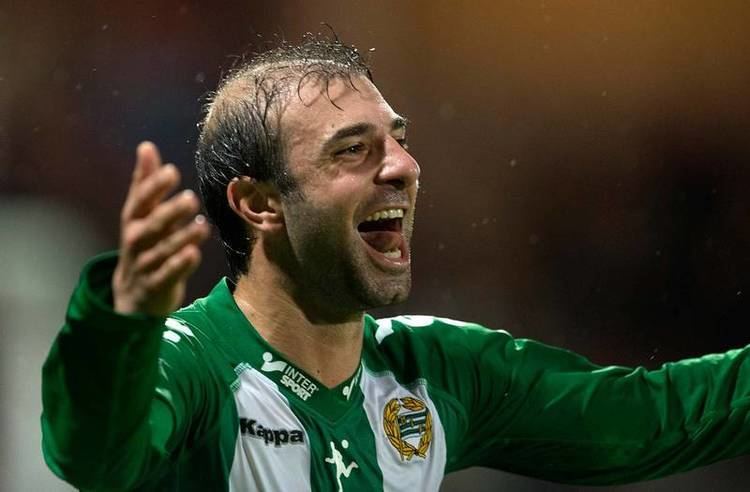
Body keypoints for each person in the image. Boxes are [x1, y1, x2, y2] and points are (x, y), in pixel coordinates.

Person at [41, 37, 750, 492]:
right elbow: (92, 457)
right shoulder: (193, 365)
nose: (404, 167)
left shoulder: (431, 368)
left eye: (399, 140)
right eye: (353, 150)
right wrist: (119, 323)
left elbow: (648, 419)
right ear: (259, 204)